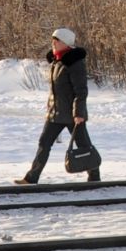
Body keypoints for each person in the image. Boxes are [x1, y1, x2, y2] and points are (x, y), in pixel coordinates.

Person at [17, 26, 100, 183]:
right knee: (44, 144)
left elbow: (81, 91)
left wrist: (79, 113)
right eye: (53, 40)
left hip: (72, 115)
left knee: (84, 146)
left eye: (57, 41)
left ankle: (95, 177)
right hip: (55, 113)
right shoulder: (57, 61)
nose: (53, 43)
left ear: (66, 43)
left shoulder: (74, 62)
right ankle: (31, 178)